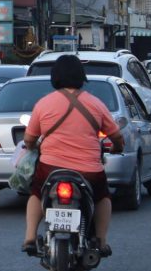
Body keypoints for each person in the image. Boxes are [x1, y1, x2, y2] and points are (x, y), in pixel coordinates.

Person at [21, 54, 124, 257]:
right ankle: (101, 241)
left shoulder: (44, 104)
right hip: (89, 171)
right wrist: (117, 148)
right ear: (81, 76)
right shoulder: (96, 104)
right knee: (102, 195)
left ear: (55, 77)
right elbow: (116, 136)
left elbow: (29, 139)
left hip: (50, 168)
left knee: (36, 192)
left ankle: (30, 237)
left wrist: (32, 146)